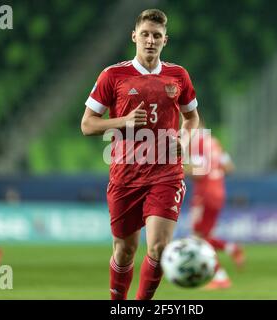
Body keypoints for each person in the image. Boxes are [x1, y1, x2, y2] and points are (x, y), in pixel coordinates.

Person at [81, 9, 199, 300]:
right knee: (125, 251)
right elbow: (87, 125)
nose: (150, 41)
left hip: (166, 174)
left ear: (165, 41)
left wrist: (184, 139)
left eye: (156, 36)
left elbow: (192, 117)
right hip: (125, 175)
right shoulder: (113, 75)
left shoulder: (178, 75)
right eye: (145, 34)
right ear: (134, 36)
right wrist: (123, 122)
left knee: (158, 248)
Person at [185, 122, 245, 290]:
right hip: (218, 192)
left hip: (204, 195)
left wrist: (178, 171)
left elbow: (200, 171)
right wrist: (215, 173)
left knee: (198, 238)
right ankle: (232, 248)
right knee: (205, 235)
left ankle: (220, 277)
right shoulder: (215, 142)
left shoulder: (197, 143)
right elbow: (229, 168)